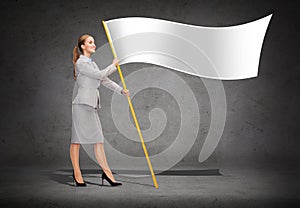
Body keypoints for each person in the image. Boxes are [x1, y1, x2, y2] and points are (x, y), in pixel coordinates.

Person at [70, 34, 129, 187]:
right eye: (90, 42)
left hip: (92, 105)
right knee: (76, 141)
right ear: (83, 46)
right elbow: (100, 75)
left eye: (94, 42)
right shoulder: (81, 63)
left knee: (99, 140)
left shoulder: (92, 63)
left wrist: (121, 90)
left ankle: (107, 173)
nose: (94, 44)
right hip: (81, 105)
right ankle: (77, 174)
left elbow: (104, 80)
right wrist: (113, 65)